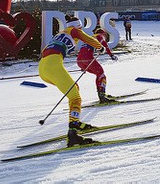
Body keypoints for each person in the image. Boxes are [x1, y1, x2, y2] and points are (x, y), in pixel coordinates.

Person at [39, 15, 105, 147]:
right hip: (53, 66)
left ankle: (76, 122)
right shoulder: (74, 30)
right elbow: (88, 39)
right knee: (75, 97)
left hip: (43, 68)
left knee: (74, 89)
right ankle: (73, 134)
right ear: (78, 26)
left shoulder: (61, 33)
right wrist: (100, 47)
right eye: (80, 27)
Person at [77, 28, 118, 103]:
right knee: (101, 74)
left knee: (98, 74)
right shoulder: (99, 36)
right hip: (88, 58)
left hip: (80, 61)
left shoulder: (91, 37)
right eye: (105, 36)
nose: (105, 38)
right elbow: (106, 46)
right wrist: (111, 55)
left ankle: (102, 94)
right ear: (103, 34)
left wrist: (83, 66)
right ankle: (102, 96)